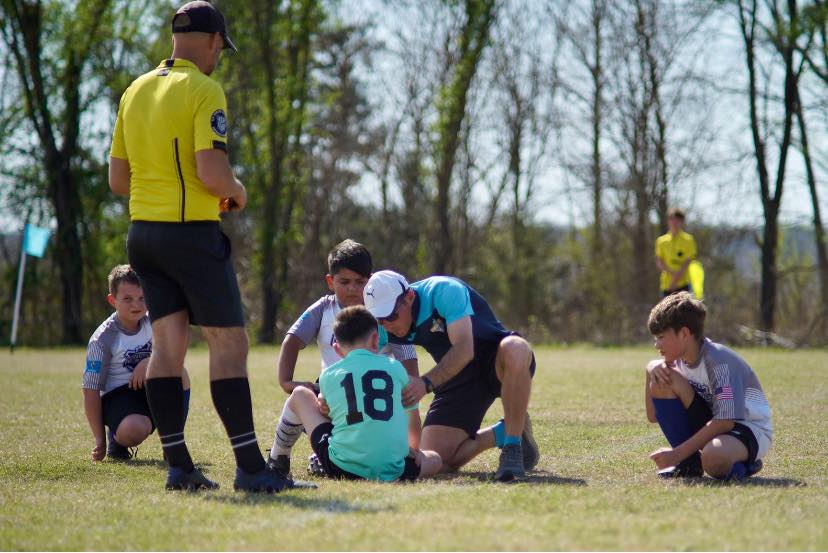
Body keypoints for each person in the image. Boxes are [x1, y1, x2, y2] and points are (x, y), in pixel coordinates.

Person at [108, 1, 294, 492]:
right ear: (213, 42)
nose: (219, 57)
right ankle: (253, 469)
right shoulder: (205, 89)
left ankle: (179, 466)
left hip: (142, 233)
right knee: (229, 344)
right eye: (221, 49)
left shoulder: (135, 90)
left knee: (168, 348)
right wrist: (237, 191)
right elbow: (213, 175)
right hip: (190, 234)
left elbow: (118, 179)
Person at [363, 270, 540, 482]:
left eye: (391, 316)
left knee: (516, 348)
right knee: (434, 460)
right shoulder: (384, 327)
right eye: (380, 320)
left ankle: (512, 448)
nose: (386, 325)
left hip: (494, 362)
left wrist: (426, 383)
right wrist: (323, 391)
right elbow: (361, 363)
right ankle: (506, 430)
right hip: (458, 379)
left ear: (409, 297)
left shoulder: (444, 291)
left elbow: (465, 348)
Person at [268, 239, 421, 476]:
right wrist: (286, 381)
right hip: (333, 399)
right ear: (330, 281)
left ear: (370, 281)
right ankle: (282, 458)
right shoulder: (323, 309)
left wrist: (410, 388)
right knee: (306, 397)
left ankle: (294, 457)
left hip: (376, 407)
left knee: (301, 400)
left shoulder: (383, 310)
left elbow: (407, 352)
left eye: (360, 282)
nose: (352, 289)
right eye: (344, 282)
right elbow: (292, 340)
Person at [269, 305, 441, 481]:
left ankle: (278, 458)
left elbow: (326, 412)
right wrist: (414, 451)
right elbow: (412, 418)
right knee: (435, 459)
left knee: (299, 394)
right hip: (394, 468)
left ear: (337, 348)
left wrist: (321, 399)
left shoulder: (328, 375)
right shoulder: (396, 368)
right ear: (376, 340)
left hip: (341, 467)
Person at [644, 292, 772, 479]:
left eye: (661, 337)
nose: (657, 345)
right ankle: (689, 465)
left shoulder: (718, 362)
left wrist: (676, 453)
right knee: (664, 377)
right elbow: (653, 415)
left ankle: (745, 464)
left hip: (747, 428)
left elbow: (726, 421)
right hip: (716, 423)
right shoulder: (677, 361)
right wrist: (650, 368)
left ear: (685, 333)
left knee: (713, 458)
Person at [82, 265, 191, 462]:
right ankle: (117, 440)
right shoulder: (102, 339)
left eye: (142, 298)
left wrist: (149, 362)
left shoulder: (154, 322)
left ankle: (172, 443)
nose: (136, 305)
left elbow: (173, 352)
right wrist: (99, 440)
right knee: (134, 430)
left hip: (151, 386)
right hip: (118, 397)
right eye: (127, 299)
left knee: (180, 373)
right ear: (112, 300)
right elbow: (90, 390)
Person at [655, 207, 698, 297]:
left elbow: (687, 262)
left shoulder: (688, 240)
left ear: (681, 222)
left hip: (683, 284)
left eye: (677, 220)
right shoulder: (661, 241)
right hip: (667, 285)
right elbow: (660, 262)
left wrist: (675, 279)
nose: (674, 223)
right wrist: (671, 276)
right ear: (668, 221)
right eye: (672, 220)